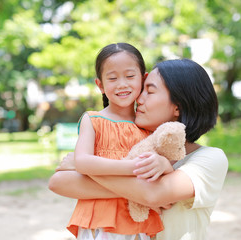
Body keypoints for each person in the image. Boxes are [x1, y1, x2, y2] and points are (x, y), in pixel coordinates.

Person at [49, 58, 229, 240]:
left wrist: (83, 164)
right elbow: (59, 182)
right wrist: (87, 164)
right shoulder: (130, 148)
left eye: (149, 91)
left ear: (178, 107)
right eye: (141, 90)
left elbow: (153, 194)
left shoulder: (210, 158)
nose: (138, 99)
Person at [63, 42, 165, 240]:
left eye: (129, 76)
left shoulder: (149, 125)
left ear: (143, 79)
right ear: (100, 85)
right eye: (112, 78)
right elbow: (83, 162)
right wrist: (133, 167)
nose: (122, 84)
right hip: (99, 220)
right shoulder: (92, 120)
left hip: (138, 221)